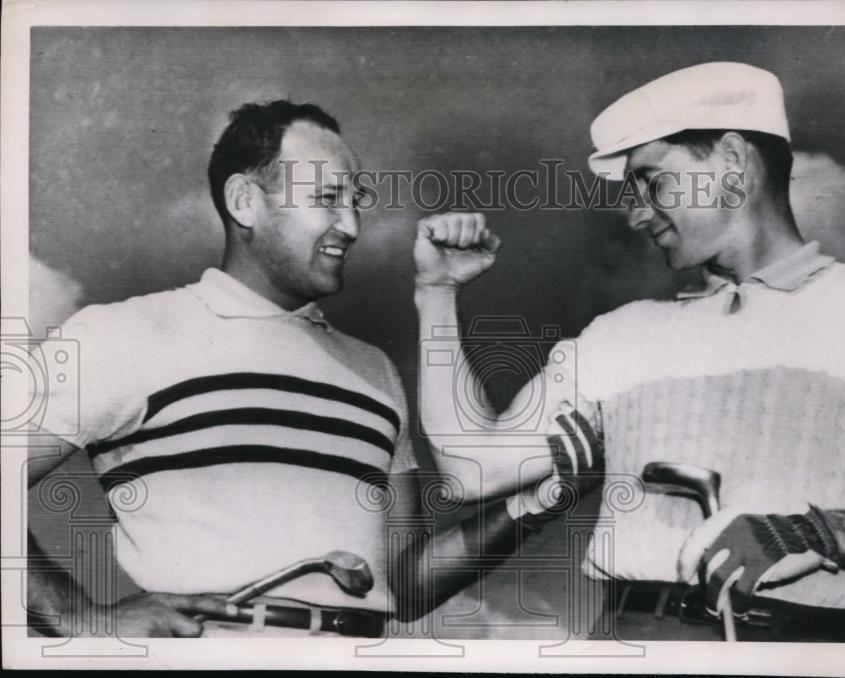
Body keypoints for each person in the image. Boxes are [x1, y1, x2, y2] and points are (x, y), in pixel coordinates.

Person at [413, 62, 845, 641]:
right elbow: (469, 466)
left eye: (653, 181)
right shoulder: (620, 336)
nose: (635, 211)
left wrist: (822, 534)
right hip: (625, 640)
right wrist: (437, 294)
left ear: (731, 161)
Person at [26, 100, 553, 638]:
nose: (350, 225)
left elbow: (404, 586)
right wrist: (79, 618)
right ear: (245, 202)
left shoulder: (372, 371)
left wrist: (539, 500)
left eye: (356, 200)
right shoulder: (126, 334)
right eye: (328, 199)